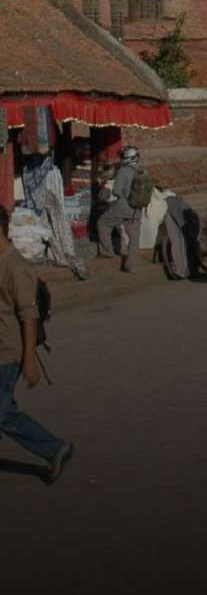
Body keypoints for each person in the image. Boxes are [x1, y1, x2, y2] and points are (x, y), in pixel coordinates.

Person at [0, 203, 73, 483]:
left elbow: (29, 316)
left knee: (2, 413)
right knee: (5, 411)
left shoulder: (17, 267)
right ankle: (54, 449)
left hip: (8, 354)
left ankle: (54, 448)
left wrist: (29, 359)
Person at [96, 146, 144, 273]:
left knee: (102, 223)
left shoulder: (124, 171)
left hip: (123, 207)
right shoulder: (142, 171)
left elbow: (116, 191)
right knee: (134, 238)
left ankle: (107, 252)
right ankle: (132, 266)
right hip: (137, 209)